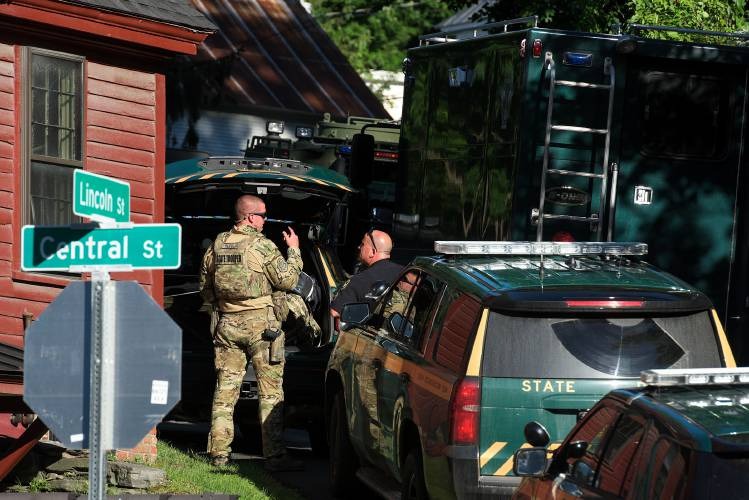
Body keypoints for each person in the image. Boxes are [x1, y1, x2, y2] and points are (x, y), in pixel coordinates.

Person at [199, 194, 304, 471]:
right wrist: (294, 250)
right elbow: (289, 279)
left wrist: (224, 308)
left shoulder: (218, 245)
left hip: (227, 326)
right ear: (250, 217)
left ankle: (219, 455)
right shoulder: (263, 246)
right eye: (263, 215)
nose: (265, 220)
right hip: (262, 328)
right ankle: (275, 457)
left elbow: (205, 287)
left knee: (225, 391)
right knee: (270, 393)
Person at [330, 229, 403, 321]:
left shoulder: (360, 279)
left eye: (362, 244)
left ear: (372, 252)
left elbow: (334, 312)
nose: (359, 247)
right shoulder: (404, 272)